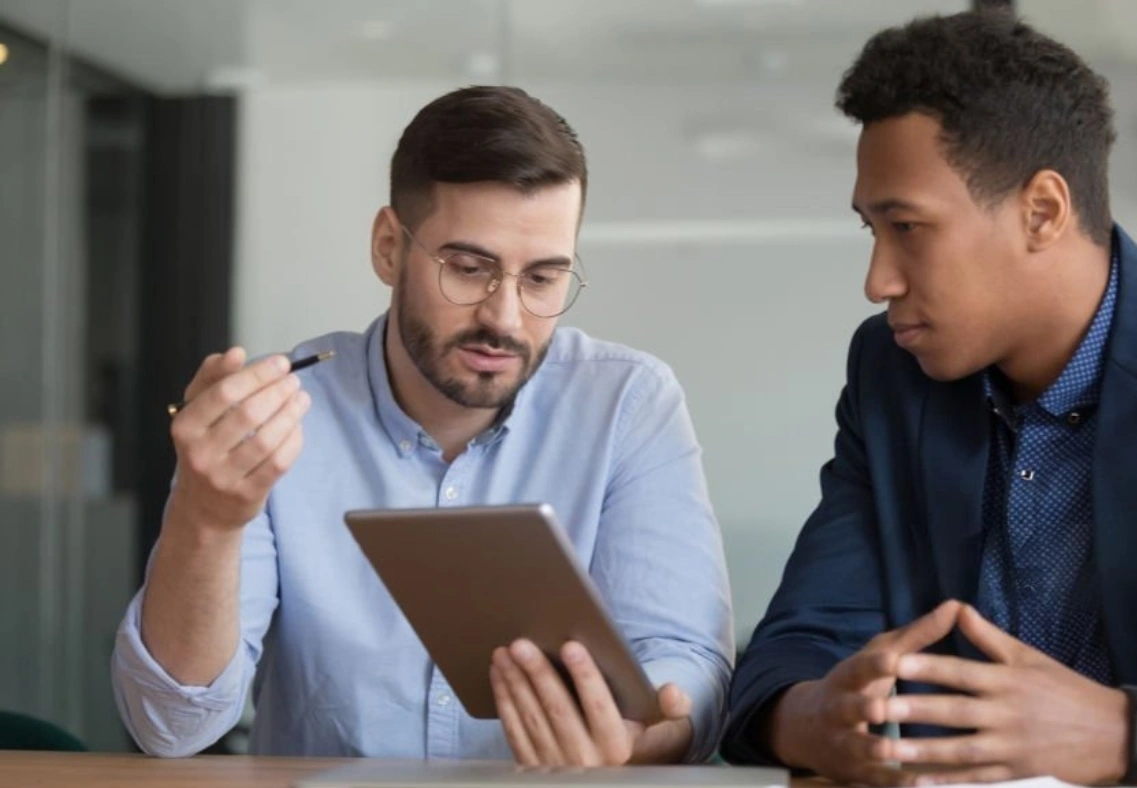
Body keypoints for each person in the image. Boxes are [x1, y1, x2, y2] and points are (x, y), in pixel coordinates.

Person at [721, 10, 1137, 787]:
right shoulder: (891, 375)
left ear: (1042, 210)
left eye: (907, 227)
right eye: (871, 230)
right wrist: (820, 719)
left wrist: (1131, 731)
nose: (878, 281)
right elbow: (793, 650)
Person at [112, 86, 734, 766]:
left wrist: (646, 734)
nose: (505, 317)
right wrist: (208, 520)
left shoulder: (627, 404)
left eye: (543, 279)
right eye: (468, 269)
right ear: (388, 247)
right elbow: (170, 727)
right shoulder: (275, 413)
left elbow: (686, 660)